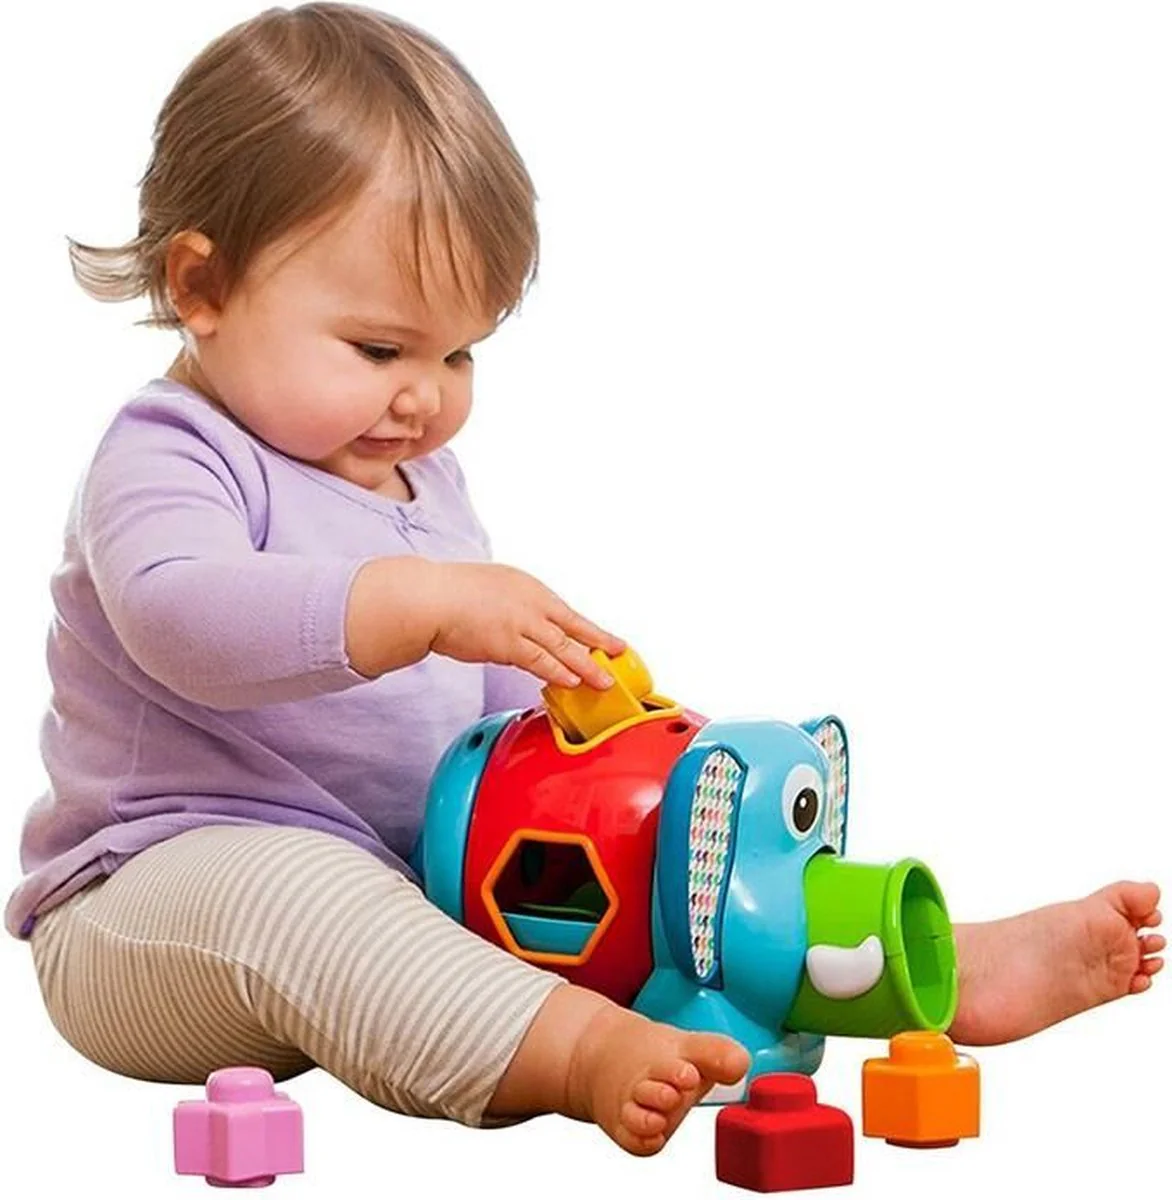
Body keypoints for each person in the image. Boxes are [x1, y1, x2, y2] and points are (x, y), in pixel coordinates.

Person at [7, 2, 1162, 1158]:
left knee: (642, 854)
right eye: (379, 349)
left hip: (402, 889)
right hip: (148, 907)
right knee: (302, 892)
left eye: (459, 352)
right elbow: (179, 617)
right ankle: (574, 1052)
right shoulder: (172, 453)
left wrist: (593, 739)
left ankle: (918, 972)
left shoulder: (417, 478)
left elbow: (483, 719)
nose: (425, 397)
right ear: (202, 286)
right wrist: (424, 607)